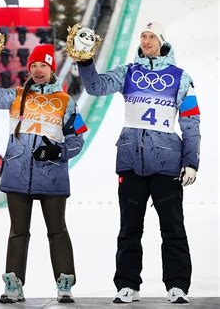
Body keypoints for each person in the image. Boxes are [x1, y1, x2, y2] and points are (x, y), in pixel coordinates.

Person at [76, 21, 200, 304]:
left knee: (173, 227)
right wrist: (85, 60)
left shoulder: (181, 78)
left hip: (167, 162)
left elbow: (191, 122)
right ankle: (127, 284)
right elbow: (95, 87)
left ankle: (178, 285)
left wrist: (191, 162)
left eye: (151, 36)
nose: (146, 41)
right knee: (129, 228)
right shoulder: (128, 72)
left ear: (162, 41)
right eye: (143, 36)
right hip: (131, 160)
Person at [0, 43, 87, 303]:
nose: (37, 69)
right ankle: (13, 284)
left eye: (43, 65)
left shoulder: (66, 102)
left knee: (57, 231)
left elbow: (78, 140)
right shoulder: (16, 95)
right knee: (18, 231)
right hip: (18, 174)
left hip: (52, 176)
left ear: (52, 69)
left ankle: (65, 283)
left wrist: (58, 152)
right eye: (33, 65)